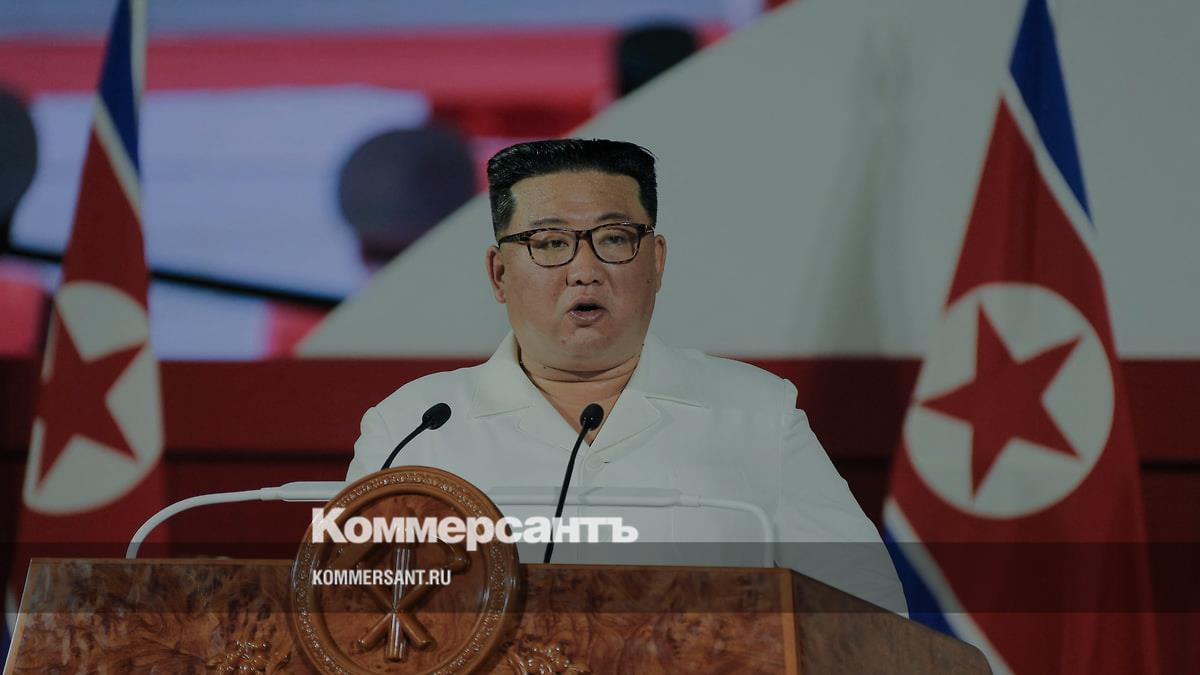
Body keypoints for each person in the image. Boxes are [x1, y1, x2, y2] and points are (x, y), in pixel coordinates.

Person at [347, 139, 907, 614]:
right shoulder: (413, 429)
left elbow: (869, 611)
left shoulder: (756, 412)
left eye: (614, 239)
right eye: (550, 243)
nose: (584, 271)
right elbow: (341, 611)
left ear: (656, 261)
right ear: (499, 273)